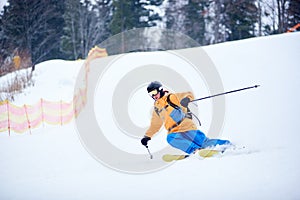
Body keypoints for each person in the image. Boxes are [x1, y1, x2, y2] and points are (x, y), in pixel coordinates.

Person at [141, 81, 231, 155]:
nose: (153, 96)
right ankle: (195, 150)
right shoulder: (157, 107)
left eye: (154, 92)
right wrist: (147, 137)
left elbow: (189, 94)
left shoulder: (171, 97)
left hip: (186, 126)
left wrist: (186, 99)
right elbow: (155, 125)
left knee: (203, 142)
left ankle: (227, 145)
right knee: (171, 138)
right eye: (150, 94)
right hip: (174, 131)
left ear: (160, 90)